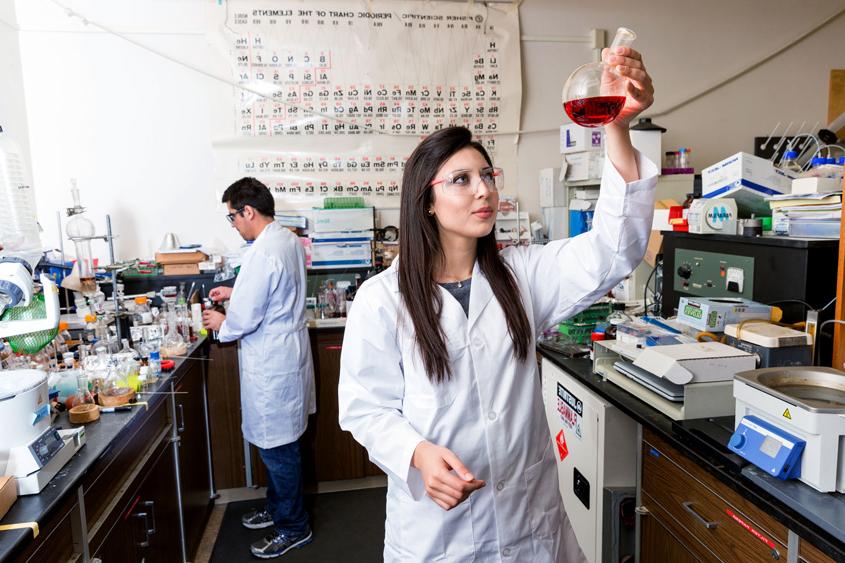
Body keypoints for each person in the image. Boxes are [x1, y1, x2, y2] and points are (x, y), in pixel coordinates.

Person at [338, 46, 656, 562]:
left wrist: (617, 126)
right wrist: (416, 454)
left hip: (530, 523)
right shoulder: (382, 300)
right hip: (438, 534)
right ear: (427, 200)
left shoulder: (521, 276)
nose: (483, 190)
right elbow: (365, 409)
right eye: (461, 180)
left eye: (488, 176)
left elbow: (614, 250)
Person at [202, 177, 316, 559]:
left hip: (272, 359)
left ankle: (293, 526)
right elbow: (274, 289)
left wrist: (223, 324)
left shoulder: (263, 251)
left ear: (248, 211)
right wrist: (235, 291)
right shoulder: (285, 239)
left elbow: (247, 316)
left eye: (232, 217)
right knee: (282, 445)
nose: (233, 224)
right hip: (287, 354)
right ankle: (280, 507)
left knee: (278, 450)